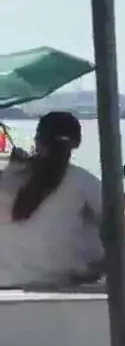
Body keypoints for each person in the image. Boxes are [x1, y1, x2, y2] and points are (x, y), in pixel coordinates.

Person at [0, 112, 103, 288]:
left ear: (37, 140)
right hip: (58, 278)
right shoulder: (84, 181)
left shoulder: (8, 177)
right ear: (76, 143)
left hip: (5, 279)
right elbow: (116, 226)